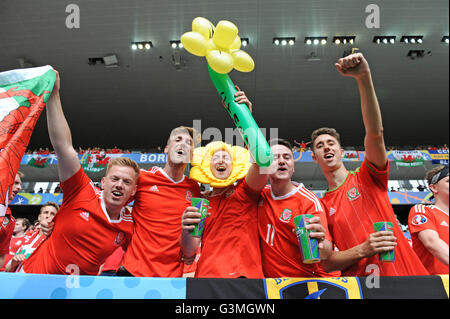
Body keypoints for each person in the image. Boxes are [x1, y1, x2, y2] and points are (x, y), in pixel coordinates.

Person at [311, 52, 428, 276]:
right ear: (314, 158)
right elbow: (327, 263)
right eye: (320, 145)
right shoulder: (320, 205)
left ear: (341, 152)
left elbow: (375, 133)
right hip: (362, 288)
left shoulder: (366, 177)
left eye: (331, 143)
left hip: (405, 278)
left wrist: (363, 78)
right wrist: (363, 249)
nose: (327, 147)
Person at [20, 70, 139, 275]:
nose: (119, 184)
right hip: (33, 280)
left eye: (126, 182)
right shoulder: (81, 191)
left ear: (134, 191)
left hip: (77, 292)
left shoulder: (129, 226)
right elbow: (64, 148)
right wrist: (54, 95)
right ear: (103, 182)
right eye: (115, 179)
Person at [181, 89, 270, 278]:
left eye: (226, 158)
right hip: (207, 279)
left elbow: (262, 162)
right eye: (216, 158)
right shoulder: (199, 202)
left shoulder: (246, 191)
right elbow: (189, 252)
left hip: (246, 279)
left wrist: (244, 117)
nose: (221, 161)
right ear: (206, 165)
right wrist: (186, 230)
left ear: (236, 164)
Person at [120, 126, 202, 277]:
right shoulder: (142, 178)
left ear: (191, 156)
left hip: (171, 278)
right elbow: (112, 208)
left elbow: (195, 233)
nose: (182, 144)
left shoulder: (195, 189)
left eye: (189, 143)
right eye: (177, 140)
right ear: (166, 149)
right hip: (133, 272)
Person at [257, 138, 336, 278]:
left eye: (287, 157)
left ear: (292, 167)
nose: (282, 161)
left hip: (307, 281)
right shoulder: (260, 195)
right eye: (275, 158)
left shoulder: (309, 201)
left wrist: (320, 241)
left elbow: (326, 253)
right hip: (272, 285)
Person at [408, 165, 449, 274]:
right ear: (434, 188)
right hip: (434, 286)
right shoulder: (422, 210)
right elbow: (431, 242)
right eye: (448, 181)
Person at [5, 202, 59, 272]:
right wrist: (13, 263)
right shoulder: (26, 240)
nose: (48, 216)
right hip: (17, 280)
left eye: (52, 214)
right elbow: (7, 269)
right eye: (46, 212)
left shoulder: (55, 241)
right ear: (39, 217)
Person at [0, 172, 23, 269]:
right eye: (16, 183)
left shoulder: (10, 220)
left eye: (20, 184)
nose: (20, 188)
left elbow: (1, 256)